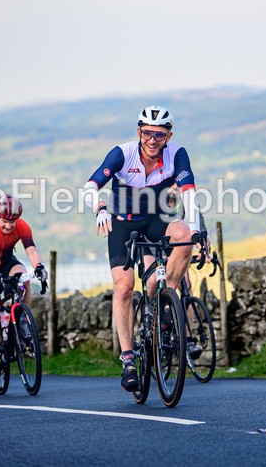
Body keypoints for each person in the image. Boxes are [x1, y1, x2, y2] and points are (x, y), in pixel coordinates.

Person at [81, 105, 204, 392]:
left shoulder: (177, 154)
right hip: (123, 224)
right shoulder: (122, 154)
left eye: (159, 135)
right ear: (139, 132)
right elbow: (90, 186)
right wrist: (99, 206)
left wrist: (196, 228)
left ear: (168, 136)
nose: (152, 140)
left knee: (184, 233)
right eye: (147, 133)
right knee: (124, 287)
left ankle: (166, 297)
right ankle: (127, 359)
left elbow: (189, 194)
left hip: (157, 221)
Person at [0, 193, 48, 373]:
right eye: (4, 221)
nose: (8, 225)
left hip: (7, 263)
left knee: (24, 278)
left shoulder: (22, 226)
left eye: (11, 223)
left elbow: (31, 252)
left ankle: (21, 318)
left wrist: (39, 266)